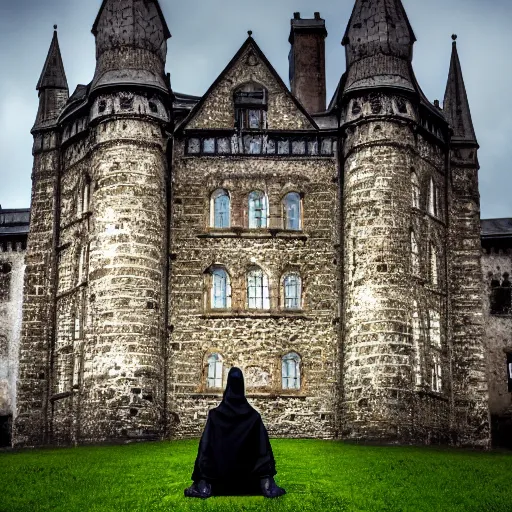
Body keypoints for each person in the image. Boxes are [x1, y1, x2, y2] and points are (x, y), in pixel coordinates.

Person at [184, 367, 286, 499]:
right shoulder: (253, 417)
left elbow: (205, 451)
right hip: (248, 483)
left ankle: (205, 485)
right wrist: (266, 478)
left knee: (206, 444)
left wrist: (202, 477)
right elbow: (263, 452)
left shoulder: (215, 416)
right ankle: (265, 484)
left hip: (219, 483)